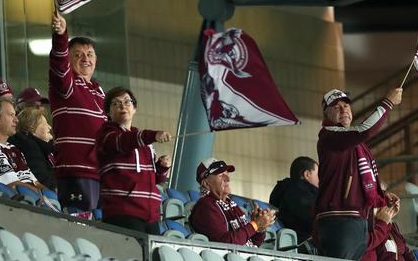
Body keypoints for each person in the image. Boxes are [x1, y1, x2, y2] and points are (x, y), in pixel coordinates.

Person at [313, 88, 402, 260]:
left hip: (356, 222)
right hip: (338, 222)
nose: (344, 109)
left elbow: (356, 179)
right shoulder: (329, 136)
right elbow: (365, 130)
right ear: (326, 114)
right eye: (336, 107)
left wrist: (382, 195)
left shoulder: (352, 143)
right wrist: (388, 103)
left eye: (346, 106)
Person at [49, 12, 107, 211]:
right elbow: (58, 64)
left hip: (101, 174)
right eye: (78, 54)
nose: (85, 59)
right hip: (76, 172)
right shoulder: (66, 84)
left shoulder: (102, 93)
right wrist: (61, 36)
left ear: (96, 59)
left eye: (89, 54)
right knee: (79, 228)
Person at [96, 87, 172, 234]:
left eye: (127, 102)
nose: (122, 106)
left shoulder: (144, 143)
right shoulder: (106, 135)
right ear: (108, 113)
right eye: (116, 103)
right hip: (123, 212)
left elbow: (154, 179)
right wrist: (152, 135)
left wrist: (162, 168)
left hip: (150, 215)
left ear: (135, 108)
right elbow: (122, 142)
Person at [189, 157, 275, 247]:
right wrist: (255, 224)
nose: (227, 178)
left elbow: (254, 243)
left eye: (226, 173)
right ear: (206, 183)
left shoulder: (230, 203)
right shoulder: (206, 206)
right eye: (220, 175)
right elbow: (226, 244)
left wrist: (260, 228)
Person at [0, 97, 44, 191]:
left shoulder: (13, 149)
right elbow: (12, 186)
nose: (16, 120)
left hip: (34, 200)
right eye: (11, 115)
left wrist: (52, 196)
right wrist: (44, 198)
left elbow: (35, 182)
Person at [269, 156, 319, 252]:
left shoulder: (281, 191)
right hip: (305, 246)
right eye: (317, 175)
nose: (320, 179)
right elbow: (315, 218)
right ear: (307, 174)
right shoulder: (302, 193)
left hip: (286, 244)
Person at [363, 183, 414, 261]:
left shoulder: (391, 226)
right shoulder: (368, 227)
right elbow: (369, 246)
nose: (384, 202)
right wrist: (382, 222)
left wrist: (389, 216)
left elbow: (405, 251)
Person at [9, 107, 57, 190]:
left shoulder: (43, 148)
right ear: (32, 128)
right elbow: (43, 180)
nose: (50, 127)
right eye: (45, 123)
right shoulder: (29, 147)